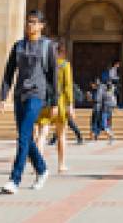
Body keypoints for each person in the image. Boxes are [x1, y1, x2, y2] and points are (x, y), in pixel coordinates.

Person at [0, 9, 57, 195]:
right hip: (19, 95)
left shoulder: (48, 46)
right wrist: (2, 97)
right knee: (26, 138)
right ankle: (42, 169)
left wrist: (54, 102)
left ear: (41, 25)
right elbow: (8, 73)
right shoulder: (18, 47)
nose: (30, 25)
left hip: (37, 95)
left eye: (33, 22)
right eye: (28, 21)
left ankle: (14, 180)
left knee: (23, 136)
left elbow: (53, 75)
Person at [40, 39, 76, 172]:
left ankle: (39, 165)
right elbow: (68, 87)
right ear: (63, 52)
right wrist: (70, 105)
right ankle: (61, 164)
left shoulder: (44, 66)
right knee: (61, 135)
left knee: (42, 134)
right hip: (60, 103)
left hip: (46, 102)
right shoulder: (65, 65)